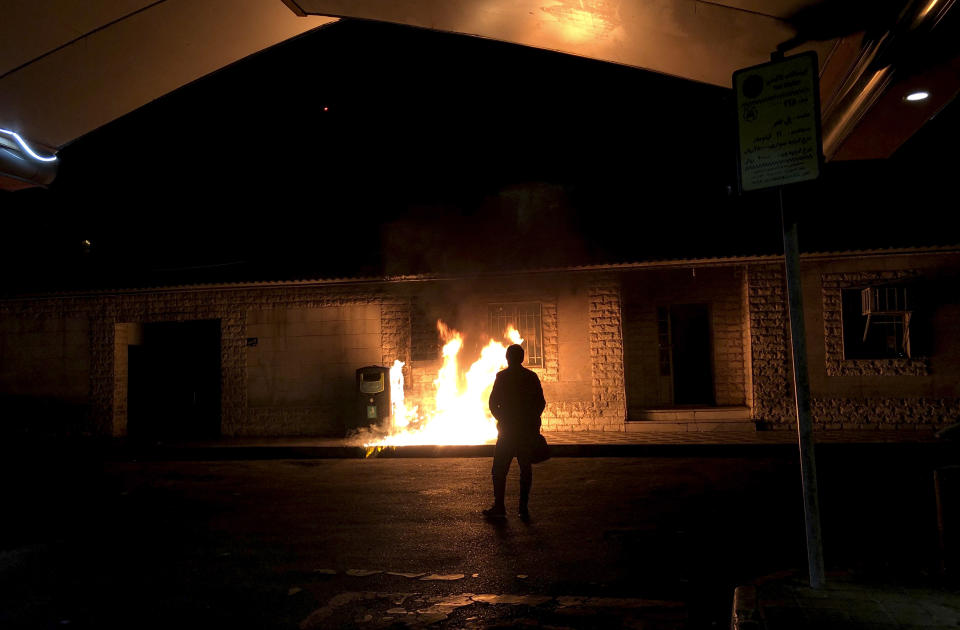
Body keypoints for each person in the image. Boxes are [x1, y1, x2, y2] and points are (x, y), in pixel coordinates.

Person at [484, 343, 546, 520]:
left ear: (508, 358)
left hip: (507, 431)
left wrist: (502, 418)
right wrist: (532, 422)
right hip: (525, 432)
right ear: (522, 358)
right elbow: (540, 403)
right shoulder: (531, 377)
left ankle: (499, 505)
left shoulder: (502, 377)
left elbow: (492, 402)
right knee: (525, 470)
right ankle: (523, 508)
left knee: (499, 470)